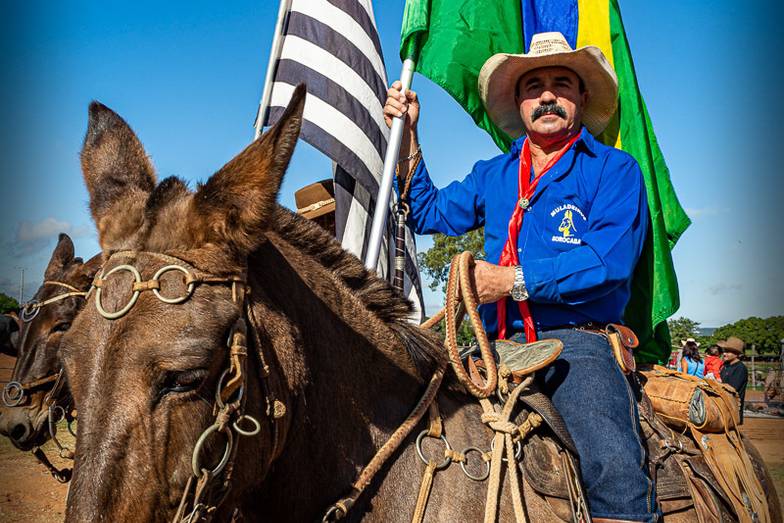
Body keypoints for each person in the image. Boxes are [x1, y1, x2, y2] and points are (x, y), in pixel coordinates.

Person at [385, 32, 654, 522]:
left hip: (576, 344)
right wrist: (409, 135)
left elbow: (607, 261)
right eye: (534, 85)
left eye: (561, 83)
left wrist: (510, 281)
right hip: (492, 346)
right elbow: (428, 212)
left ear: (582, 96)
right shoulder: (493, 173)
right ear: (518, 101)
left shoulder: (615, 170)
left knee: (613, 467)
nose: (547, 94)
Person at [719, 336, 748, 423]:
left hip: (732, 407)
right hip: (723, 405)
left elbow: (732, 388)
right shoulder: (726, 366)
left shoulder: (740, 368)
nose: (724, 354)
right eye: (724, 351)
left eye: (728, 352)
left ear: (737, 354)